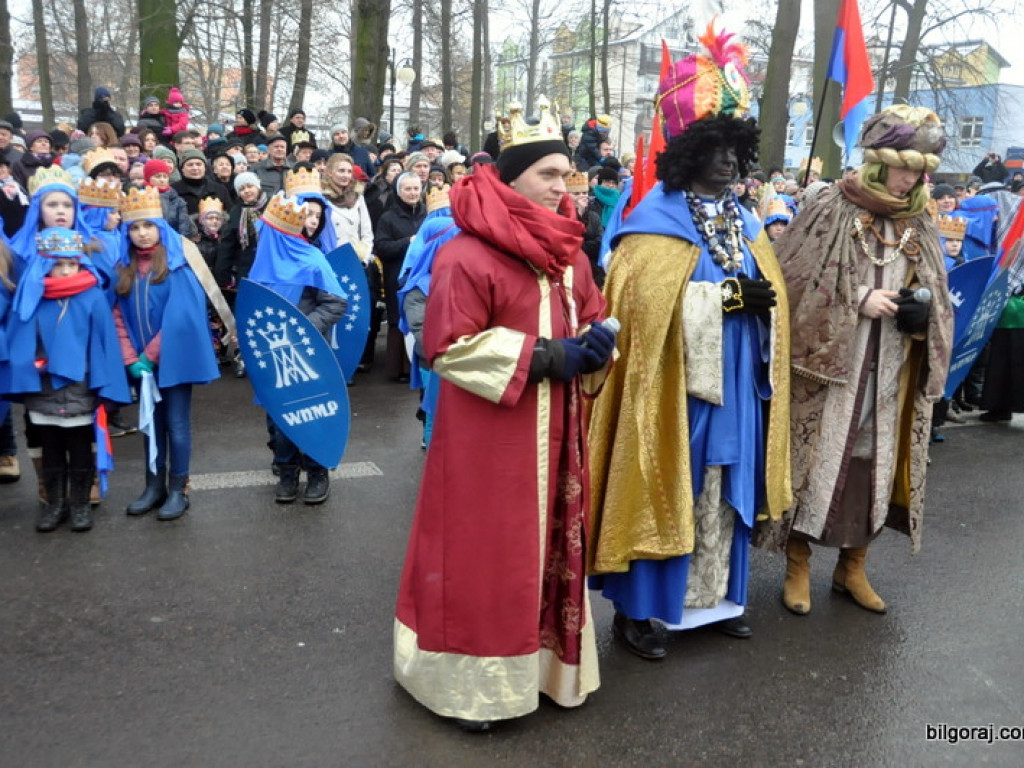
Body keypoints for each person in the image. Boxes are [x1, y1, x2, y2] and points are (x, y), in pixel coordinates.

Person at [394, 100, 611, 730]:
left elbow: (592, 316)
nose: (562, 186)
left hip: (558, 433)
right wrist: (548, 356)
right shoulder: (466, 253)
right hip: (489, 438)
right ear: (512, 176)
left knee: (549, 545)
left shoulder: (570, 253)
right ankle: (473, 685)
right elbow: (446, 347)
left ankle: (545, 668)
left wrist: (599, 344)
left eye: (566, 174)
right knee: (486, 552)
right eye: (548, 173)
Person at [587, 27, 791, 660]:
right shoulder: (651, 224)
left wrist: (763, 304)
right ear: (686, 153)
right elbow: (640, 317)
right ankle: (641, 612)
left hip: (739, 381)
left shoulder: (746, 220)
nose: (728, 162)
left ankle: (716, 599)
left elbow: (770, 296)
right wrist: (724, 299)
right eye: (714, 149)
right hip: (675, 390)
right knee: (664, 482)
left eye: (735, 149)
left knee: (726, 484)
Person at [753, 104, 954, 616]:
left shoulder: (920, 221)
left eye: (920, 170)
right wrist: (858, 299)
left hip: (891, 368)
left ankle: (853, 566)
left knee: (871, 463)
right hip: (830, 366)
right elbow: (790, 279)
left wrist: (922, 315)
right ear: (879, 162)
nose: (912, 179)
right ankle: (798, 563)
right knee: (817, 458)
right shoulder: (831, 205)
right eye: (904, 167)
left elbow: (937, 291)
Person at [3, 228, 130, 532]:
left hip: (80, 386)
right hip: (44, 387)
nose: (65, 270)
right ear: (45, 264)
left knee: (80, 445)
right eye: (58, 264)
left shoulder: (92, 295)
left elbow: (104, 343)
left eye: (71, 263)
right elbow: (21, 335)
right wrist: (32, 362)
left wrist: (106, 387)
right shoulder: (33, 294)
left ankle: (80, 503)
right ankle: (55, 504)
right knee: (51, 447)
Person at [114, 186, 220, 521]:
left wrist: (150, 355)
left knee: (176, 423)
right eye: (134, 227)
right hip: (139, 364)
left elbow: (181, 317)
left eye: (148, 225)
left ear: (160, 226)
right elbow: (117, 316)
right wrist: (131, 359)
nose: (142, 233)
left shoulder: (176, 265)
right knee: (150, 423)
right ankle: (153, 485)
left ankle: (178, 488)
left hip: (172, 361)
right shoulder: (124, 268)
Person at [247, 190, 347, 504]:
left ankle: (317, 471)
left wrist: (301, 329)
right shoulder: (262, 262)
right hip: (274, 354)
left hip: (309, 352)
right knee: (280, 415)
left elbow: (335, 303)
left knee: (312, 411)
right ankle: (287, 472)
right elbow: (255, 307)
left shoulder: (312, 259)